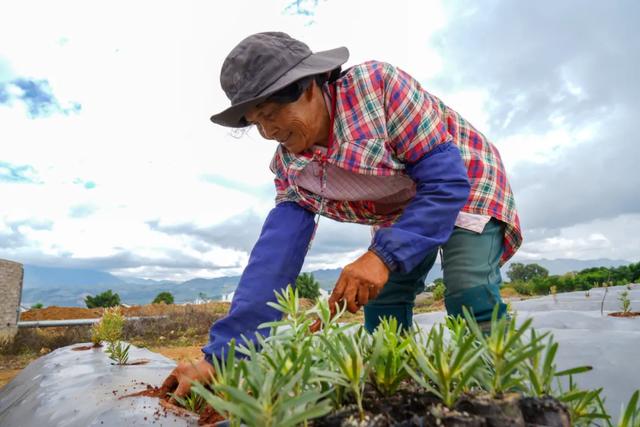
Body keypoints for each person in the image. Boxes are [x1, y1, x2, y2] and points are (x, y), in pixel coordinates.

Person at [161, 31, 522, 399]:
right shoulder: (292, 166)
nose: (268, 132)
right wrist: (222, 356)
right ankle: (393, 395)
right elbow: (274, 258)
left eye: (271, 114)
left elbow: (445, 182)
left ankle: (500, 400)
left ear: (309, 88)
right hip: (401, 204)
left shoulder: (379, 89)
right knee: (383, 300)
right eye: (257, 123)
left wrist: (382, 255)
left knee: (467, 287)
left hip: (465, 177)